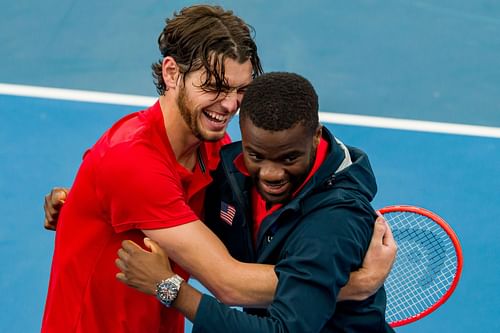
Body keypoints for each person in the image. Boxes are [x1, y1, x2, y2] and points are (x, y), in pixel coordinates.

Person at [42, 5, 396, 333]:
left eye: (240, 90)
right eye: (214, 87)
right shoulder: (133, 162)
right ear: (171, 73)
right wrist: (350, 284)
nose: (229, 105)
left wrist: (77, 203)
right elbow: (229, 282)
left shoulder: (217, 149)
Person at [115, 72, 396, 332]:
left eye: (289, 158)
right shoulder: (233, 173)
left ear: (315, 137)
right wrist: (86, 198)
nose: (271, 174)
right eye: (257, 156)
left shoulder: (334, 223)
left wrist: (170, 288)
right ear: (243, 135)